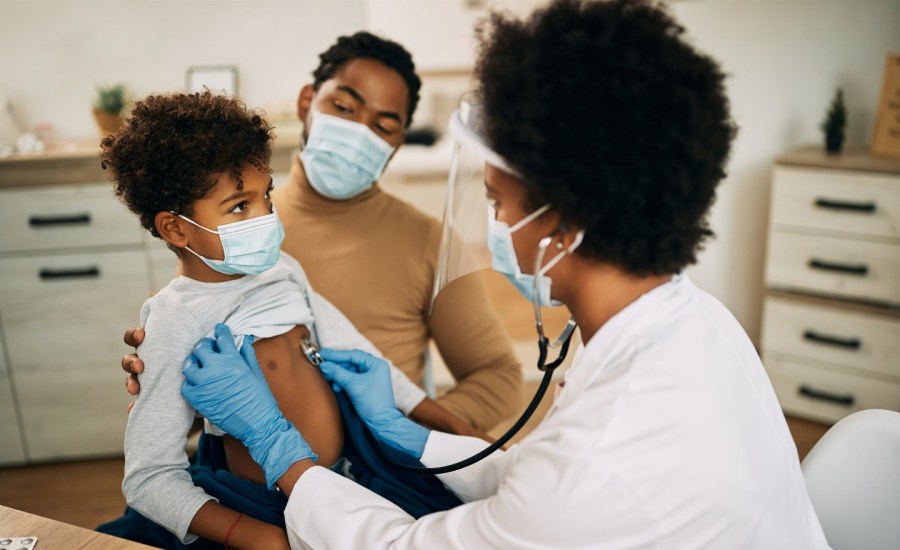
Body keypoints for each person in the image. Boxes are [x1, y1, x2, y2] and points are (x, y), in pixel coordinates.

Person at [179, 0, 831, 547]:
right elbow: (533, 477)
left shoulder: (600, 465)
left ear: (563, 222)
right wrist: (411, 432)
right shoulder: (697, 323)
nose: (492, 225)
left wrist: (282, 453)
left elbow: (402, 546)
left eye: (497, 202)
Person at [96, 91, 464, 549]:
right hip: (260, 508)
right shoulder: (173, 320)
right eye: (238, 206)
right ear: (176, 228)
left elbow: (364, 360)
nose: (266, 215)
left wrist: (455, 430)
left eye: (265, 195)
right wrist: (254, 536)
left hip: (352, 478)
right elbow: (149, 477)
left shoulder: (283, 269)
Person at [122, 31, 523, 433]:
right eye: (344, 107)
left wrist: (397, 434)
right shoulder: (229, 233)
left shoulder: (429, 240)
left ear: (399, 142)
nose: (358, 132)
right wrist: (168, 387)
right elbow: (197, 397)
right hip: (272, 477)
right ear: (306, 102)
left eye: (383, 126)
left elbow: (498, 375)